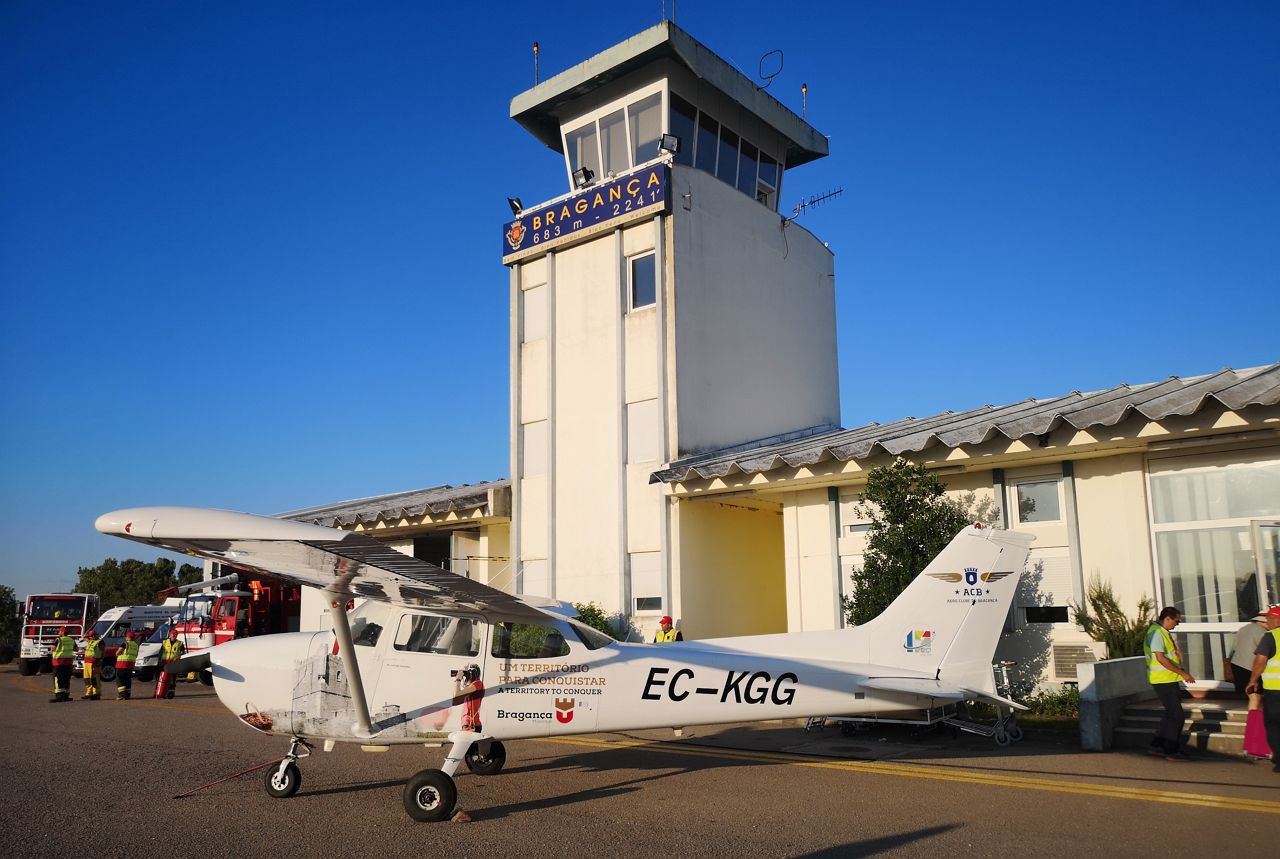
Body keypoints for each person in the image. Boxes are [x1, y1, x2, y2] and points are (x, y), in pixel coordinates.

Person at [1144, 605, 1195, 761]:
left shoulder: (1160, 631)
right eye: (1176, 621)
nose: (1177, 624)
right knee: (1177, 716)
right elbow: (1160, 658)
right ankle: (1171, 751)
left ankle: (1157, 746)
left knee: (1170, 714)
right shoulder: (1157, 633)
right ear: (1167, 618)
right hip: (1163, 680)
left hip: (1167, 679)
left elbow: (1167, 656)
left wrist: (1178, 668)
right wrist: (1182, 673)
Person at [1244, 604, 1280, 773]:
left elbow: (1260, 660)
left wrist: (1253, 680)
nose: (1267, 621)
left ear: (1276, 620)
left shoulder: (1271, 636)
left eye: (1269, 618)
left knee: (1273, 724)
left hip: (1275, 690)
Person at [1227, 613, 1268, 693]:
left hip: (1236, 664)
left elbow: (1234, 648)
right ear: (1264, 622)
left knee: (1241, 692)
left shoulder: (1243, 628)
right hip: (1251, 667)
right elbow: (1264, 650)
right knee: (1255, 693)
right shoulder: (1262, 632)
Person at [452, 664, 484, 733]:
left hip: (471, 724)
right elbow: (457, 694)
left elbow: (456, 694)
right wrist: (463, 675)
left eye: (467, 673)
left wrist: (458, 679)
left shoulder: (478, 683)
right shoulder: (473, 686)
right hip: (469, 723)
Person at [155, 627, 184, 700]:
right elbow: (160, 652)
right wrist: (159, 661)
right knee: (162, 678)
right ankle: (158, 693)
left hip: (174, 663)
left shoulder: (180, 643)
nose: (174, 636)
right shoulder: (165, 642)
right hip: (164, 662)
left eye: (175, 635)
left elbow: (183, 652)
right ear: (170, 635)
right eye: (173, 635)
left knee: (172, 679)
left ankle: (170, 693)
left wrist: (178, 658)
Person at [49, 626, 76, 703]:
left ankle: (59, 696)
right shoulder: (72, 640)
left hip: (59, 662)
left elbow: (52, 649)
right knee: (66, 679)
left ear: (63, 632)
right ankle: (66, 695)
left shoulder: (58, 640)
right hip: (68, 662)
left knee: (58, 679)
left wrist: (52, 650)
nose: (58, 633)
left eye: (59, 631)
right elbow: (76, 649)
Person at [115, 630, 141, 700]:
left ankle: (122, 695)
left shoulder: (125, 644)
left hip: (122, 664)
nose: (125, 638)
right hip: (131, 664)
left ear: (128, 637)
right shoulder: (136, 645)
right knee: (127, 679)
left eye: (126, 636)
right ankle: (127, 694)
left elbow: (117, 653)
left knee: (120, 679)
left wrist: (117, 654)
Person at [81, 628, 103, 700]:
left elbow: (103, 651)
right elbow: (84, 637)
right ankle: (89, 693)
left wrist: (101, 660)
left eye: (93, 635)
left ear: (96, 635)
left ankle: (96, 693)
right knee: (87, 678)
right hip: (87, 662)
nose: (92, 637)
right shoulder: (90, 641)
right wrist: (87, 634)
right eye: (91, 636)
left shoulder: (100, 642)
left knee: (95, 678)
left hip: (94, 662)